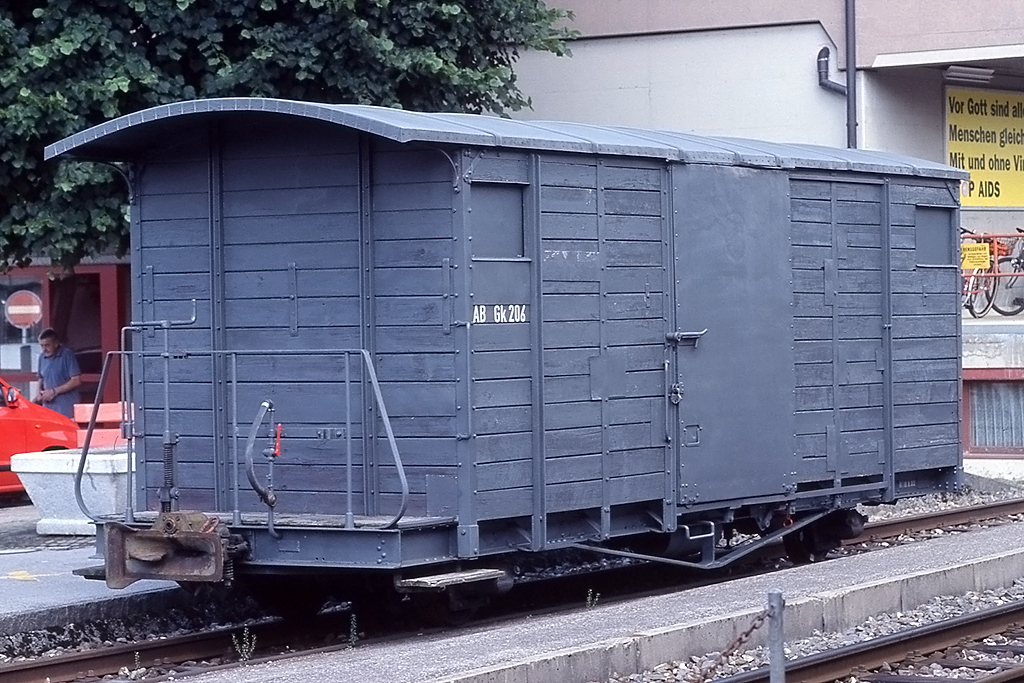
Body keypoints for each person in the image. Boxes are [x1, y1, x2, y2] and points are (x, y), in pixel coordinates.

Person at [35, 328, 81, 419]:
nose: (44, 349)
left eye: (47, 345)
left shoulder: (67, 355)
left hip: (67, 409)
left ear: (56, 343)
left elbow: (76, 380)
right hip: (48, 410)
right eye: (42, 345)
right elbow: (40, 378)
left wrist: (54, 392)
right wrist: (38, 393)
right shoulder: (41, 357)